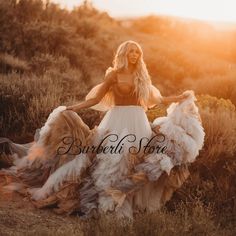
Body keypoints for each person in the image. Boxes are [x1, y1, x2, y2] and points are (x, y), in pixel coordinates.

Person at [0, 40, 205, 220]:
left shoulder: (142, 76)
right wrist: (73, 107)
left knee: (133, 163)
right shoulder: (114, 75)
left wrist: (179, 98)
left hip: (138, 122)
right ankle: (104, 201)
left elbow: (158, 100)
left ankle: (124, 200)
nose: (134, 55)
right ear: (123, 53)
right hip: (116, 121)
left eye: (137, 52)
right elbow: (95, 99)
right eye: (131, 51)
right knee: (108, 162)